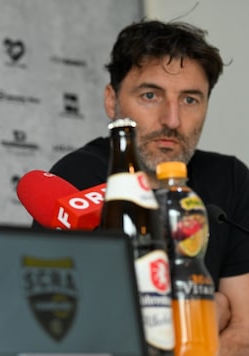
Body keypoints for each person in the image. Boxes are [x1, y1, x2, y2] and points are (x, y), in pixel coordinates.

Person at [46, 20, 249, 355]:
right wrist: (210, 312)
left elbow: (243, 332)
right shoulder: (78, 178)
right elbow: (84, 333)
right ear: (112, 102)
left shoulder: (229, 178)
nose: (171, 119)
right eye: (150, 95)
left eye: (190, 100)